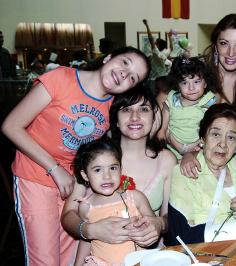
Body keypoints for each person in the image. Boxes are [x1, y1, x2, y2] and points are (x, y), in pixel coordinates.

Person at [1, 46, 150, 265]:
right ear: (109, 57)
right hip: (35, 175)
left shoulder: (112, 107)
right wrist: (54, 168)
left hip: (74, 186)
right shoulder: (61, 78)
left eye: (132, 77)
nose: (124, 74)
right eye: (125, 63)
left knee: (70, 258)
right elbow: (11, 126)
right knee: (45, 260)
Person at [62, 86, 175, 252]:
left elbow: (170, 216)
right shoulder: (96, 156)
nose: (135, 117)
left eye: (144, 109)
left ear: (153, 117)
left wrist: (159, 224)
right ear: (115, 119)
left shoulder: (166, 160)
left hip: (147, 256)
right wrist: (90, 230)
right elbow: (68, 214)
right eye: (126, 109)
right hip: (100, 255)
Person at [167, 103, 236, 245]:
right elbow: (181, 237)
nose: (223, 144)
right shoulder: (185, 171)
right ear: (203, 138)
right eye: (215, 134)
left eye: (231, 138)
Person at [73, 138, 155, 265]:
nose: (107, 176)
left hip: (138, 262)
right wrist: (77, 264)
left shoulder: (135, 198)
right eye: (98, 170)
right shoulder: (85, 206)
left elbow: (153, 225)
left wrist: (145, 228)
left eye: (113, 168)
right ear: (85, 175)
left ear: (120, 169)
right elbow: (86, 238)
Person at [159, 56, 218, 158]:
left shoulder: (209, 102)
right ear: (177, 85)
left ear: (205, 83)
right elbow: (165, 112)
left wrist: (201, 144)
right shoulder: (172, 98)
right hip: (172, 147)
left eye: (196, 82)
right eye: (185, 83)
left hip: (198, 148)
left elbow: (213, 125)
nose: (191, 88)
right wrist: (162, 131)